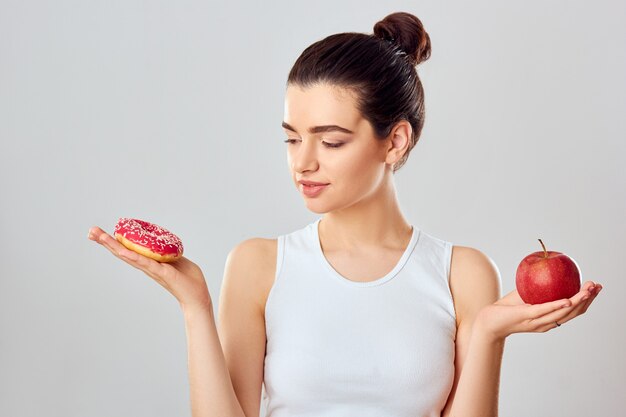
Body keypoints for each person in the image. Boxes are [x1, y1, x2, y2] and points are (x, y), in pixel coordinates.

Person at [87, 11, 602, 417]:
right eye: (291, 139)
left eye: (330, 141)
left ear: (395, 141)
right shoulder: (257, 266)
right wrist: (194, 306)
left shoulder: (462, 273)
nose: (302, 163)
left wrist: (489, 331)